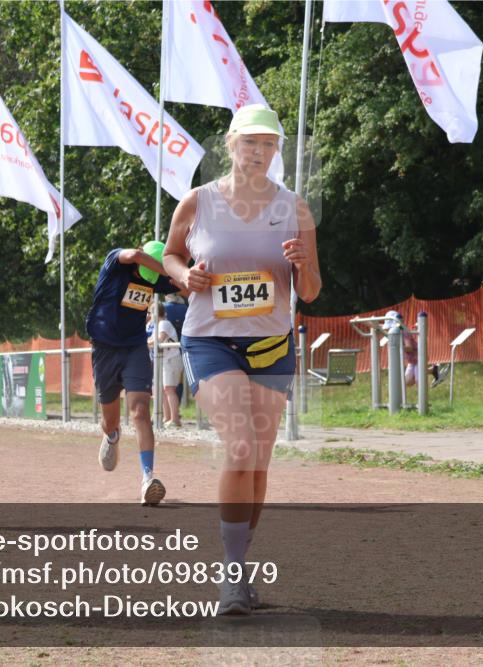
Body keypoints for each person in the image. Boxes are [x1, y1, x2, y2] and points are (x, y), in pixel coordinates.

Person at [163, 104, 321, 615]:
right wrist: (186, 279)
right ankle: (231, 576)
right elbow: (170, 256)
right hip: (211, 339)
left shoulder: (295, 208)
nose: (258, 152)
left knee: (258, 461)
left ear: (277, 152)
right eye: (249, 142)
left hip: (272, 344)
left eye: (268, 144)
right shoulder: (198, 202)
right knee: (239, 448)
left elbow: (313, 292)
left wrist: (300, 266)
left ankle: (241, 565)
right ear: (230, 146)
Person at [85, 241, 183, 506]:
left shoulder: (155, 282)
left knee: (140, 411)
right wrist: (162, 268)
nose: (146, 278)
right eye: (144, 271)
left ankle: (147, 479)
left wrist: (184, 272)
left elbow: (185, 285)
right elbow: (136, 255)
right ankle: (112, 435)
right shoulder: (115, 262)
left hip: (135, 348)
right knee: (110, 420)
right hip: (105, 350)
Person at [382, 310, 444, 387]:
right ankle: (433, 370)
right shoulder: (396, 331)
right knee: (408, 382)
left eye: (389, 328)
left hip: (419, 357)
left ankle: (423, 397)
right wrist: (370, 323)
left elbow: (409, 347)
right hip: (412, 360)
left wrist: (397, 348)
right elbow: (381, 328)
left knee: (419, 382)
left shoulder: (403, 332)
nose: (388, 330)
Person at [147, 302, 183, 427]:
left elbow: (159, 340)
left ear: (155, 313)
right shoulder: (157, 325)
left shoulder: (164, 323)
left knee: (169, 389)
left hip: (171, 359)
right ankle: (167, 418)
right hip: (165, 360)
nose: (149, 316)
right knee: (163, 389)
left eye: (150, 313)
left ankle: (175, 419)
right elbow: (151, 341)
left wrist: (148, 343)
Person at [163, 294, 188, 403]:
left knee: (167, 383)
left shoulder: (164, 307)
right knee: (179, 379)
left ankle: (170, 411)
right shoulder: (185, 308)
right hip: (183, 344)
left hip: (167, 347)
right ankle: (177, 407)